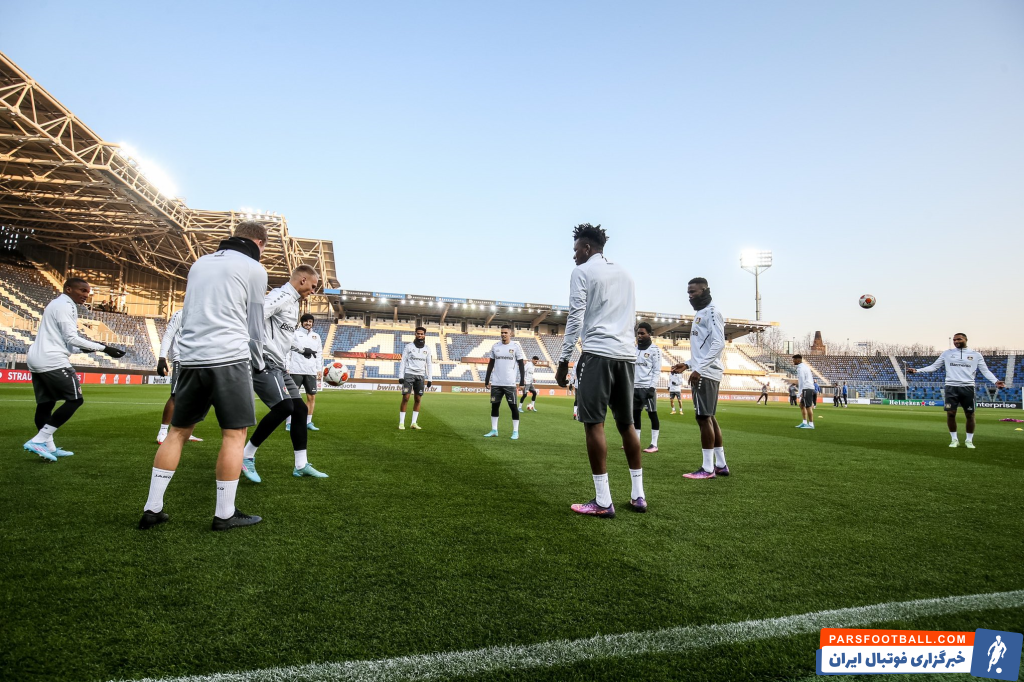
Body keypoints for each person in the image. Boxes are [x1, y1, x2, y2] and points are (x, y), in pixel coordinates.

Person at [139, 221, 269, 531]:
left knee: (177, 432)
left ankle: (152, 508)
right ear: (259, 243)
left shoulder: (200, 263)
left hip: (191, 358)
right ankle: (224, 514)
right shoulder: (254, 267)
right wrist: (259, 363)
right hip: (229, 358)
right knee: (234, 435)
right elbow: (255, 325)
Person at [555, 223, 645, 517]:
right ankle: (638, 496)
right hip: (626, 356)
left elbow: (575, 316)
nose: (574, 256)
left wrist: (564, 360)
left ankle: (603, 502)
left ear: (587, 248)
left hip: (597, 354)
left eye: (575, 250)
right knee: (627, 424)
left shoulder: (582, 272)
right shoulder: (626, 274)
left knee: (594, 424)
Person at [23, 278, 126, 462]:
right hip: (53, 360)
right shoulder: (65, 305)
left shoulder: (57, 304)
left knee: (46, 404)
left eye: (88, 292)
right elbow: (71, 337)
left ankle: (48, 447)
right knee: (75, 400)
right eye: (82, 290)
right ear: (68, 289)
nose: (86, 295)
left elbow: (66, 342)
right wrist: (104, 348)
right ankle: (38, 440)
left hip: (38, 357)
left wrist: (87, 349)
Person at [241, 265, 328, 482]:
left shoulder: (294, 303)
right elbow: (253, 318)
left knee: (299, 409)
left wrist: (301, 349)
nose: (313, 291)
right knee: (284, 407)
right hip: (264, 361)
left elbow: (283, 337)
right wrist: (257, 354)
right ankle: (246, 455)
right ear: (302, 280)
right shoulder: (280, 296)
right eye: (313, 286)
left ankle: (301, 465)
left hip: (279, 364)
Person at [671, 277, 729, 479]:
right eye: (688, 293)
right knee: (709, 417)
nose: (690, 296)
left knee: (703, 418)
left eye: (693, 292)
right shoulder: (700, 313)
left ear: (704, 290)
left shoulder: (712, 312)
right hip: (704, 370)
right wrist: (688, 364)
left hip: (706, 373)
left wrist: (699, 369)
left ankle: (707, 469)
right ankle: (720, 464)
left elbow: (719, 343)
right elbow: (703, 349)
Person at [907, 333, 1005, 448]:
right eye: (954, 340)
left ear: (966, 339)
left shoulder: (976, 355)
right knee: (950, 413)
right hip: (951, 387)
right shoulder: (947, 353)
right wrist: (917, 370)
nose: (956, 341)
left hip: (968, 387)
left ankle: (969, 440)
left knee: (970, 414)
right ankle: (954, 439)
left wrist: (995, 381)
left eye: (959, 339)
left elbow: (985, 371)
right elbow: (934, 366)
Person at [155, 309, 203, 444]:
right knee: (176, 395)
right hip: (182, 360)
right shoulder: (181, 313)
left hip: (198, 360)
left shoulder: (203, 313)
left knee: (195, 398)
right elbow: (168, 335)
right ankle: (163, 431)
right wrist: (162, 358)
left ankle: (186, 431)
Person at [483, 325, 525, 439]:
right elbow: (491, 364)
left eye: (505, 332)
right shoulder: (495, 346)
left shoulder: (515, 347)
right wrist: (487, 379)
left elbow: (521, 365)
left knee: (513, 407)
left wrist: (522, 381)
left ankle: (515, 432)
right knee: (494, 406)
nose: (503, 334)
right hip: (496, 383)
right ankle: (494, 430)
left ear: (510, 333)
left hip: (510, 383)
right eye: (502, 332)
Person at [286, 313, 322, 432]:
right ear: (302, 322)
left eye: (310, 321)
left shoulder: (316, 336)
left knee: (311, 397)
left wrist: (319, 369)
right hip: (296, 369)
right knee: (292, 397)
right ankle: (289, 422)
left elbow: (319, 354)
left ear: (313, 323)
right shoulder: (295, 334)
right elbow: (288, 351)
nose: (308, 323)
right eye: (306, 321)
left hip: (311, 371)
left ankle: (308, 422)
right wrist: (287, 366)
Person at [633, 322, 662, 453]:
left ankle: (654, 444)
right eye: (638, 333)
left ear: (649, 334)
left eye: (642, 333)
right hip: (634, 387)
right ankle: (636, 442)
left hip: (647, 387)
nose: (639, 336)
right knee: (635, 415)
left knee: (652, 414)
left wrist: (652, 387)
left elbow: (657, 370)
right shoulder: (634, 349)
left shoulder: (655, 350)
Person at [397, 326, 434, 430]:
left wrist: (430, 378)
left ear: (424, 335)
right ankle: (401, 423)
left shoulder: (427, 349)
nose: (420, 335)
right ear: (415, 334)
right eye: (418, 333)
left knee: (418, 399)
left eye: (422, 334)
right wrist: (401, 376)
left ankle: (413, 423)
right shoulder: (409, 347)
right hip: (409, 374)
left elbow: (429, 364)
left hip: (420, 376)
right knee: (406, 398)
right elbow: (403, 361)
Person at [793, 354, 817, 429]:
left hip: (806, 388)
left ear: (798, 360)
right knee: (802, 405)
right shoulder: (804, 367)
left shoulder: (801, 368)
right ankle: (804, 422)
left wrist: (800, 392)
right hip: (807, 387)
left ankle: (811, 424)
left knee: (808, 406)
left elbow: (802, 381)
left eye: (794, 360)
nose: (793, 361)